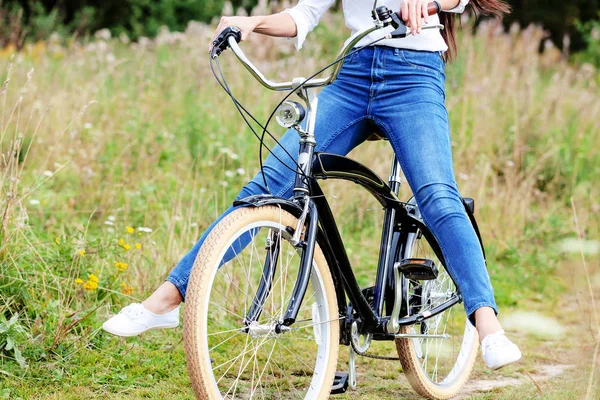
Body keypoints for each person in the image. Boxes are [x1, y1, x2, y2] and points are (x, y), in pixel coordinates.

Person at [102, 0, 522, 370]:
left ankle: (488, 325)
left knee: (436, 197)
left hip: (414, 79)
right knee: (269, 185)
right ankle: (169, 298)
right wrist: (251, 23)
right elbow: (302, 15)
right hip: (353, 77)